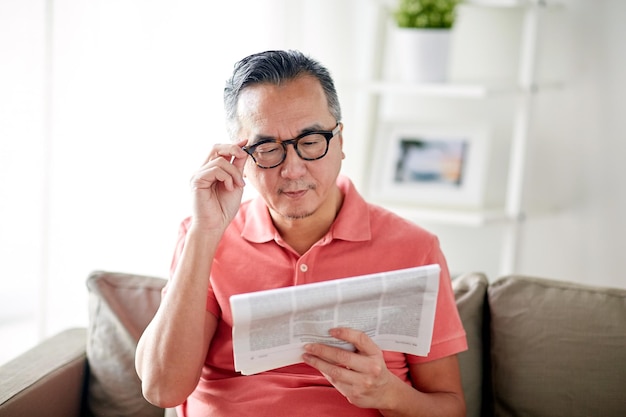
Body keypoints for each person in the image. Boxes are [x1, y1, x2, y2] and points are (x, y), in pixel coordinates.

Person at [135, 49, 467, 417]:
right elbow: (162, 388)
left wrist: (388, 393)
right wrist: (203, 233)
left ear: (340, 142)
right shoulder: (205, 235)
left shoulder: (414, 248)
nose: (292, 170)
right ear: (238, 157)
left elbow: (450, 407)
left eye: (310, 143)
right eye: (267, 148)